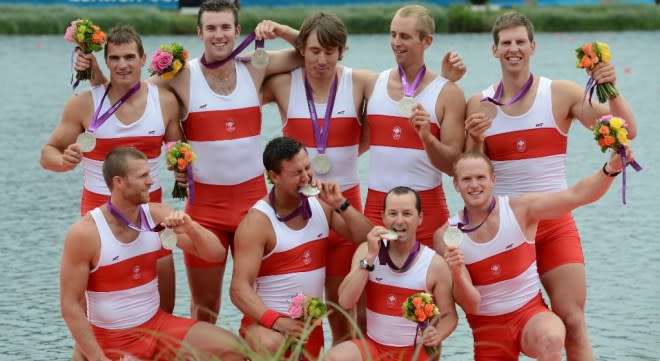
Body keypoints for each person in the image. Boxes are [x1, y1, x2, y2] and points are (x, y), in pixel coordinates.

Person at [77, 0, 304, 323]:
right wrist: (96, 73)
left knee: (260, 299)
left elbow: (310, 50)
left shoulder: (256, 65)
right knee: (205, 307)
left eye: (226, 27)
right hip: (205, 210)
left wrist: (280, 30)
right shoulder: (180, 76)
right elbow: (127, 89)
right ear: (199, 32)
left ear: (238, 31)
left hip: (254, 207)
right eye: (211, 28)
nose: (219, 35)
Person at [463, 12, 636, 360]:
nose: (514, 49)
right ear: (494, 51)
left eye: (520, 42)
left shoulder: (561, 93)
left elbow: (625, 131)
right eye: (506, 43)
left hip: (554, 224)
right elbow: (469, 175)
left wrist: (610, 88)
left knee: (573, 322)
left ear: (533, 47)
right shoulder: (479, 104)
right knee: (501, 329)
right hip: (506, 229)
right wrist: (474, 138)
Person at [435, 149, 633, 361]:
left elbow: (576, 196)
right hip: (487, 331)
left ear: (493, 179)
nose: (474, 185)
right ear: (456, 184)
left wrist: (610, 170)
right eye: (466, 179)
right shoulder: (446, 236)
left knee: (551, 340)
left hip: (529, 316)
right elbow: (471, 305)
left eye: (480, 177)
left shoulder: (521, 210)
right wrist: (456, 271)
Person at [41, 25, 179, 313]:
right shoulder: (82, 104)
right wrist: (62, 161)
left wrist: (181, 167)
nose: (122, 65)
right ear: (106, 61)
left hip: (149, 210)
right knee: (96, 305)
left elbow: (179, 151)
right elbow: (47, 153)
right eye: (114, 58)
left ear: (143, 60)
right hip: (98, 212)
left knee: (163, 304)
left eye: (129, 57)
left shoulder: (164, 101)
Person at [60, 147, 244, 361]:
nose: (151, 181)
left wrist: (192, 228)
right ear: (119, 182)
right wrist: (97, 358)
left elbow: (215, 253)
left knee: (234, 350)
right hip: (111, 340)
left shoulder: (156, 215)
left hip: (156, 328)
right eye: (143, 176)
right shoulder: (85, 233)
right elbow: (70, 305)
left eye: (150, 174)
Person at [261, 11, 373, 344]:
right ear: (301, 50)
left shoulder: (361, 81)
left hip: (342, 209)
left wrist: (349, 152)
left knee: (344, 313)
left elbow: (405, 94)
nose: (321, 59)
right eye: (313, 51)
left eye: (330, 51)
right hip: (298, 214)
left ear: (341, 51)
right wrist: (283, 33)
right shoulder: (282, 83)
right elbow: (234, 79)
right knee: (298, 313)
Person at [229, 136, 373, 360]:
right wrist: (276, 321)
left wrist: (341, 204)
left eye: (308, 168)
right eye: (296, 173)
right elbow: (239, 289)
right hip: (265, 327)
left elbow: (369, 238)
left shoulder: (323, 204)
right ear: (274, 176)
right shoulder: (257, 222)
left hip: (306, 329)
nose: (306, 177)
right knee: (271, 343)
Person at [363, 4, 467, 250]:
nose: (396, 42)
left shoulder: (448, 93)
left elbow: (454, 166)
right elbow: (323, 55)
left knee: (432, 288)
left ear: (427, 41)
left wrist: (427, 138)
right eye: (393, 34)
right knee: (377, 287)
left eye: (405, 36)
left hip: (427, 209)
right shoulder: (370, 84)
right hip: (378, 208)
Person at [325, 186, 458, 361]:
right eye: (393, 213)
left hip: (415, 352)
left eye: (407, 214)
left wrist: (438, 334)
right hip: (374, 347)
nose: (399, 221)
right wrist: (370, 257)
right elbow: (345, 300)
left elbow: (450, 315)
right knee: (334, 357)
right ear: (383, 217)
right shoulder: (366, 250)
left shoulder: (435, 264)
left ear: (420, 218)